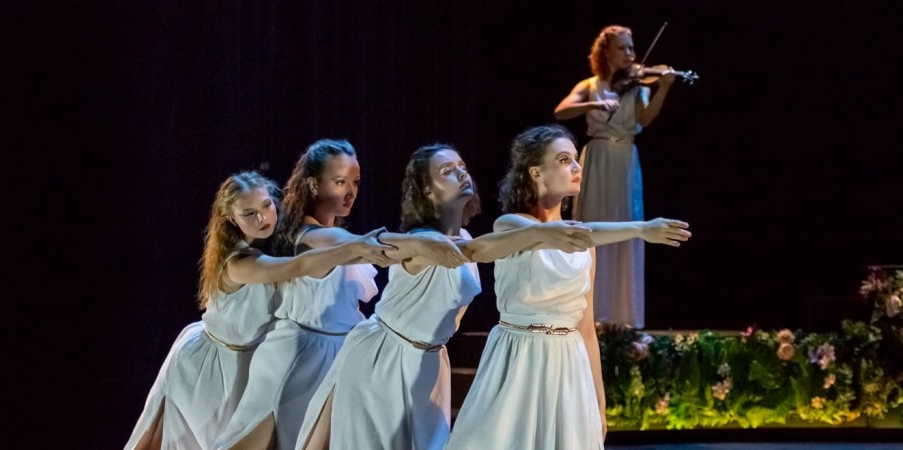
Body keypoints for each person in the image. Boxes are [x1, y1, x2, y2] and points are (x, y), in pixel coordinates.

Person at [294, 144, 596, 450]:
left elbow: (479, 251)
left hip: (430, 361)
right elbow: (467, 249)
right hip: (385, 358)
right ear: (427, 189)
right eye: (447, 171)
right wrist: (543, 234)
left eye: (462, 167)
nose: (461, 173)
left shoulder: (465, 238)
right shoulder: (421, 240)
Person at [445, 124, 690, 450]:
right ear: (536, 172)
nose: (576, 167)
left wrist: (598, 402)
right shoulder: (512, 225)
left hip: (568, 362)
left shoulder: (584, 245)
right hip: (520, 355)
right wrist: (640, 228)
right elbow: (562, 235)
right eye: (564, 160)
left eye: (575, 159)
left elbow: (586, 328)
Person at [215, 140, 464, 450]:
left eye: (355, 182)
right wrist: (423, 244)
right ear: (313, 184)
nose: (351, 192)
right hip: (299, 357)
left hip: (338, 353)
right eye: (339, 182)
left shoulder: (325, 232)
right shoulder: (311, 236)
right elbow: (362, 245)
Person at [124, 171, 392, 450]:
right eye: (249, 214)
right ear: (231, 219)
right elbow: (298, 266)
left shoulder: (278, 241)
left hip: (251, 361)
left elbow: (316, 246)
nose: (262, 218)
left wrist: (361, 247)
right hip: (212, 368)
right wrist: (355, 248)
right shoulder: (238, 263)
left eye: (266, 205)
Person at [553, 25, 678, 328]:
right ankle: (591, 316)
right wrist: (595, 103)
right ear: (606, 52)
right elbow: (561, 111)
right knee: (593, 227)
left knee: (626, 227)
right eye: (623, 48)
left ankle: (623, 319)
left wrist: (664, 87)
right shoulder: (590, 85)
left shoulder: (637, 85)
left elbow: (645, 118)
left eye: (632, 48)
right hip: (597, 157)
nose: (630, 54)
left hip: (624, 157)